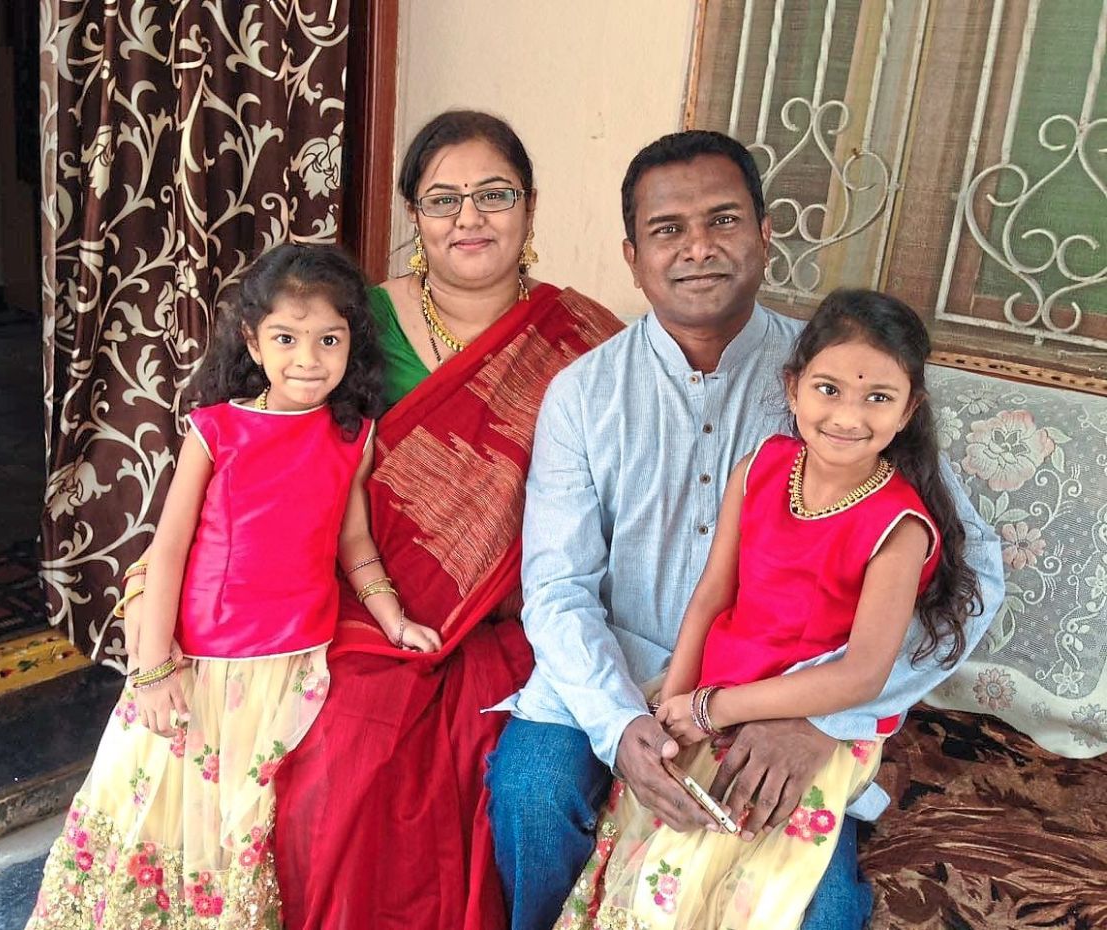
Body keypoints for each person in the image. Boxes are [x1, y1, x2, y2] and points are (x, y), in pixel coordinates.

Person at [485, 130, 1005, 930]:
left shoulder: (839, 377)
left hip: (777, 693)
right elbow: (556, 587)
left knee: (822, 914)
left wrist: (818, 718)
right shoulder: (584, 395)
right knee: (529, 796)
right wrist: (619, 723)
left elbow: (973, 579)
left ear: (764, 236)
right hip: (617, 669)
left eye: (723, 220)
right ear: (633, 257)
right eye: (668, 229)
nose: (698, 247)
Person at [122, 110, 623, 928]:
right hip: (343, 609)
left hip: (514, 617)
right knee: (336, 759)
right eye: (443, 199)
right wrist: (153, 611)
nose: (469, 216)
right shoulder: (352, 326)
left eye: (494, 194)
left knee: (483, 768)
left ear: (530, 206)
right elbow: (248, 482)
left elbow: (622, 503)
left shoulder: (585, 339)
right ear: (415, 216)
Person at [26, 244, 445, 929]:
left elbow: (354, 543)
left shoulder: (354, 437)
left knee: (240, 831)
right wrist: (153, 669)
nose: (308, 359)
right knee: (162, 817)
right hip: (199, 669)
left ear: (352, 343)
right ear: (252, 341)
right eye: (286, 338)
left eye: (329, 340)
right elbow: (167, 551)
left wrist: (394, 618)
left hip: (289, 668)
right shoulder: (216, 430)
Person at [556, 288, 982, 928]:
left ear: (908, 411)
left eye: (878, 397)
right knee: (641, 875)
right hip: (712, 697)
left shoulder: (899, 528)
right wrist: (676, 704)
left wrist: (715, 709)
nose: (848, 416)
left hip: (807, 719)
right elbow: (712, 595)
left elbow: (862, 675)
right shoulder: (760, 469)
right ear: (793, 388)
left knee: (729, 899)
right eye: (828, 389)